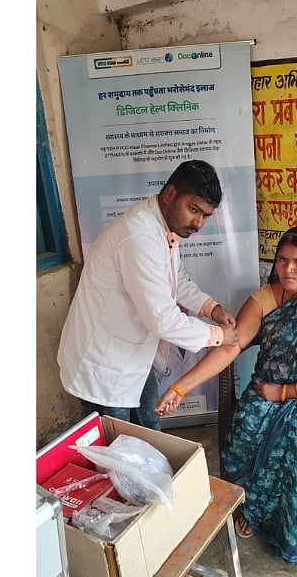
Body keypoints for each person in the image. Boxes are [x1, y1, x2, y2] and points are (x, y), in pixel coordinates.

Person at [154, 226, 297, 565]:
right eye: (283, 259)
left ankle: (292, 526)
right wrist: (181, 387)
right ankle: (255, 507)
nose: (289, 269)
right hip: (267, 387)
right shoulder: (265, 297)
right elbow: (230, 347)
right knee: (247, 428)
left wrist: (286, 392)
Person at [57, 160, 239, 431]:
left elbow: (177, 281)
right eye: (194, 210)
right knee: (120, 447)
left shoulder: (165, 229)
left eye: (206, 216)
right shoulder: (139, 236)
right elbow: (163, 320)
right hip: (106, 365)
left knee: (149, 428)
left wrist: (210, 308)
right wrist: (218, 336)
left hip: (134, 357)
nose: (199, 223)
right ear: (170, 195)